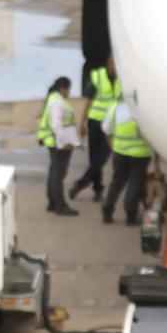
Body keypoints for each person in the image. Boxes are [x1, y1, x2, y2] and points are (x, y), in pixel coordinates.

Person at [69, 54, 120, 203]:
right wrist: (83, 122)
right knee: (94, 158)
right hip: (95, 122)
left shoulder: (122, 80)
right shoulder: (97, 76)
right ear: (108, 63)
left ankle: (81, 183)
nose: (115, 67)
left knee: (102, 157)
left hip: (111, 124)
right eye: (112, 63)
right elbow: (89, 101)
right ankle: (98, 189)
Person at [101, 96, 153, 225]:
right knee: (134, 184)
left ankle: (107, 211)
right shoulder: (144, 108)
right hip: (140, 154)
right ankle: (131, 216)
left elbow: (106, 128)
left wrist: (113, 143)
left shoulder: (115, 106)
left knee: (117, 182)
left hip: (119, 152)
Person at [37, 76, 78, 215]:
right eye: (68, 89)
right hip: (58, 142)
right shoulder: (57, 102)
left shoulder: (54, 99)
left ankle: (53, 203)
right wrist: (64, 141)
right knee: (58, 173)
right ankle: (60, 205)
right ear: (62, 88)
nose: (69, 92)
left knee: (54, 172)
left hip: (53, 140)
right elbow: (56, 124)